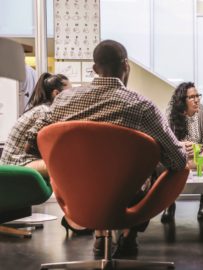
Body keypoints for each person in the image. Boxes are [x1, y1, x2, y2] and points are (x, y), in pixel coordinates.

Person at [24, 40, 187, 257]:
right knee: (152, 166)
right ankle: (129, 234)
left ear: (94, 69)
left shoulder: (63, 101)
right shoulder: (141, 106)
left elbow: (31, 143)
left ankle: (101, 235)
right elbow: (178, 160)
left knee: (90, 171)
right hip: (126, 195)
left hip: (78, 196)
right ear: (126, 66)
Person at [0, 72, 91, 236]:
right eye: (69, 92)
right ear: (56, 93)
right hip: (19, 163)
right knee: (70, 167)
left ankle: (75, 217)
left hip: (17, 162)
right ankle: (74, 219)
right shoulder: (44, 112)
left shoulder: (42, 109)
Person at [161, 82, 203, 223]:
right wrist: (180, 145)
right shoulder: (172, 117)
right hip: (178, 154)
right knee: (166, 161)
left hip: (196, 156)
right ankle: (169, 203)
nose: (196, 100)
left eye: (198, 96)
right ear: (183, 100)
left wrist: (197, 148)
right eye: (191, 97)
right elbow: (167, 143)